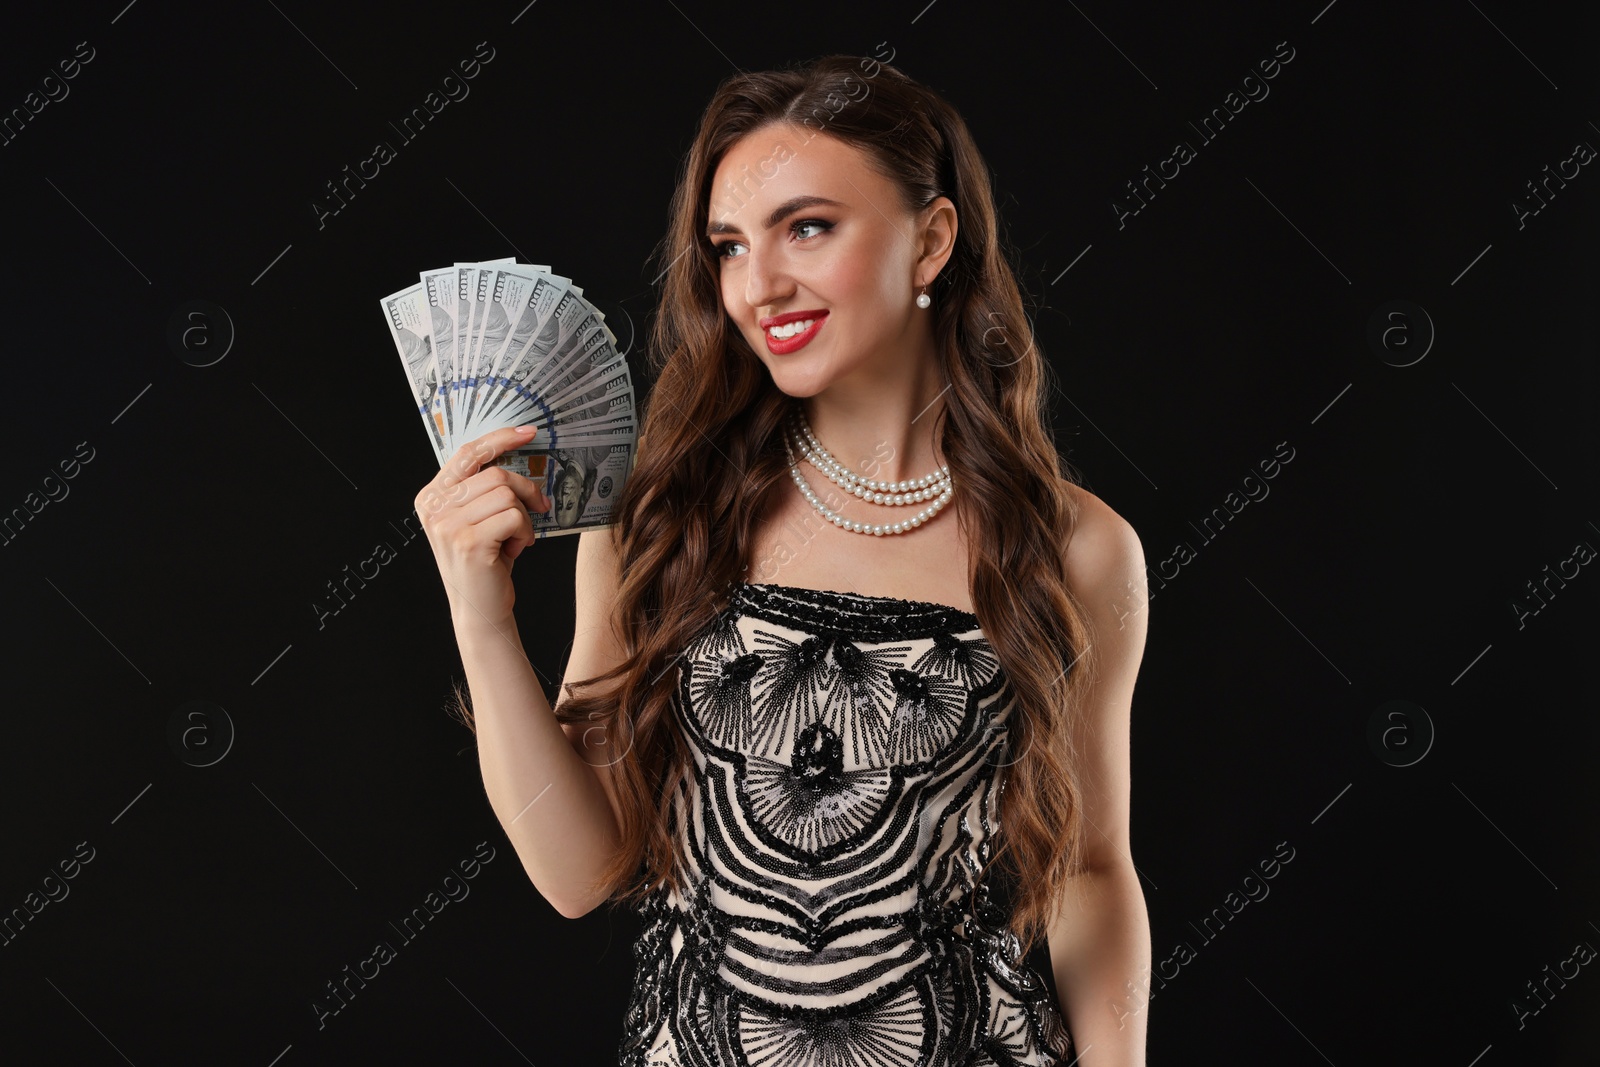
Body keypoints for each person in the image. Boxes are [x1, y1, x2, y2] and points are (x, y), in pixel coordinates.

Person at [414, 54, 1151, 1067]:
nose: (758, 285)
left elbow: (1092, 870)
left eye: (807, 227)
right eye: (728, 244)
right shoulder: (662, 514)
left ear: (931, 239)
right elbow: (578, 870)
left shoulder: (1079, 548)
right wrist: (479, 612)